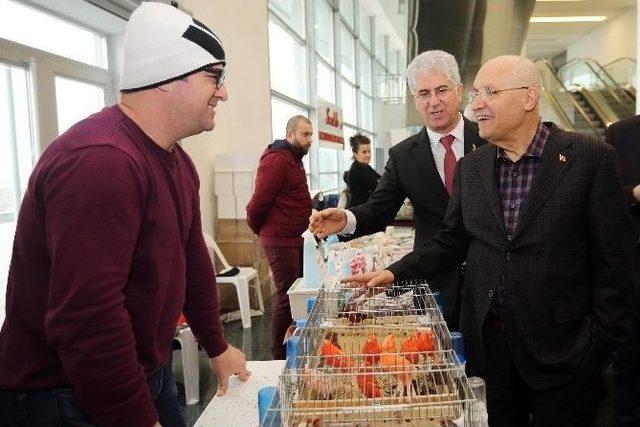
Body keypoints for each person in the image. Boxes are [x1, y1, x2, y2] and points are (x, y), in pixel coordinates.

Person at [313, 55, 635, 427]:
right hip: (491, 352)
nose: (477, 105)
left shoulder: (590, 160)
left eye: (489, 93)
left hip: (564, 354)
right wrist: (391, 273)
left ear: (529, 98)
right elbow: (451, 241)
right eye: (477, 94)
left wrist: (593, 348)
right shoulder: (474, 167)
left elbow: (617, 266)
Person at [0, 4, 250, 427]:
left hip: (141, 374)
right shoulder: (101, 161)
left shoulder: (175, 160)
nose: (223, 92)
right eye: (215, 76)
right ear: (173, 78)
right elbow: (87, 318)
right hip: (62, 393)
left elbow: (192, 266)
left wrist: (217, 346)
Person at [308, 50, 486, 328]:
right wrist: (346, 219)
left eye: (442, 90)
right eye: (424, 93)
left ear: (459, 91)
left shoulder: (489, 140)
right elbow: (379, 210)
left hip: (489, 279)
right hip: (435, 279)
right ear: (415, 99)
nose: (434, 102)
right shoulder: (404, 155)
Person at [246, 115, 313, 359]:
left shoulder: (294, 159)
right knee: (288, 295)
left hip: (293, 237)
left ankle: (295, 344)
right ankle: (280, 355)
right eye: (305, 134)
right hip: (279, 238)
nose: (310, 140)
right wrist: (260, 230)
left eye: (311, 135)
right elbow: (258, 203)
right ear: (290, 135)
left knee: (296, 293)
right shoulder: (277, 160)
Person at [605, 116, 640, 427]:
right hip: (632, 265)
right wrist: (635, 194)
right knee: (629, 356)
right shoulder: (622, 133)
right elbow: (605, 193)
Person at [345, 134, 380, 208]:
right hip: (359, 210)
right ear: (355, 153)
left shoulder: (365, 166)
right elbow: (377, 188)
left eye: (369, 151)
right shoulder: (357, 170)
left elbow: (380, 177)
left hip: (364, 208)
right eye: (364, 152)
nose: (368, 155)